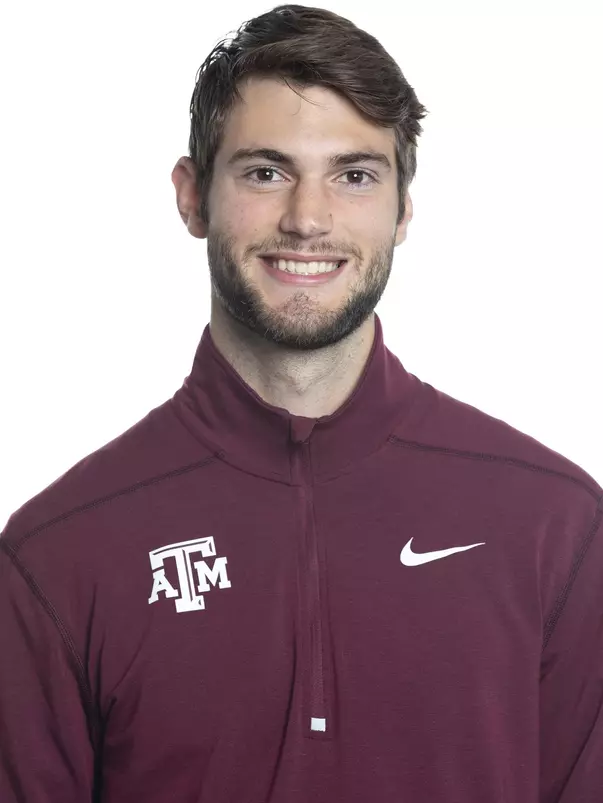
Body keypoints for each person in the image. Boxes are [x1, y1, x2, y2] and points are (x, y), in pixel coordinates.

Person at [0, 4, 601, 801]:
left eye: (354, 175)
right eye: (265, 171)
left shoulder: (553, 523)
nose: (307, 219)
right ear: (191, 197)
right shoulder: (58, 553)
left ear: (403, 209)